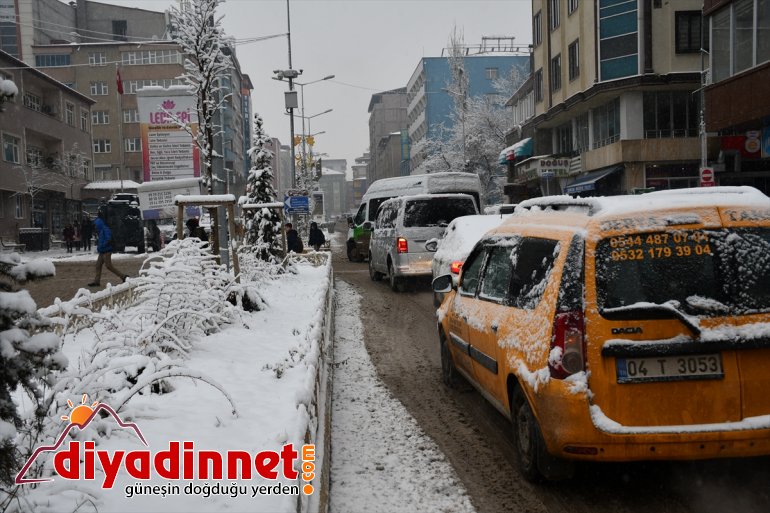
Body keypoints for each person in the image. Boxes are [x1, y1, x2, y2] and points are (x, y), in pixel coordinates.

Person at [88, 208, 128, 287]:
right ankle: (97, 281)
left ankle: (123, 276)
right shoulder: (102, 229)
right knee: (98, 265)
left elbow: (108, 239)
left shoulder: (105, 229)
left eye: (95, 226)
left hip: (106, 250)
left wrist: (103, 245)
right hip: (103, 250)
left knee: (109, 266)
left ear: (98, 224)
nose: (95, 228)